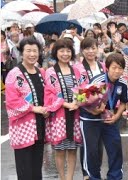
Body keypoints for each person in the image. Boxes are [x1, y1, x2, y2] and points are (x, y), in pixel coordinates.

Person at [5, 37, 49, 180]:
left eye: (35, 51)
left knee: (37, 167)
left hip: (39, 125)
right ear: (21, 53)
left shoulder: (41, 72)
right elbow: (12, 101)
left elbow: (48, 94)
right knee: (25, 169)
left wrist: (48, 108)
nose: (32, 54)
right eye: (28, 51)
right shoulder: (14, 74)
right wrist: (33, 108)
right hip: (23, 127)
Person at [82, 52, 128, 180]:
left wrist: (117, 116)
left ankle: (115, 176)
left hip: (109, 119)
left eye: (120, 68)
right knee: (92, 152)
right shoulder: (97, 81)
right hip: (90, 119)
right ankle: (93, 177)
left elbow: (124, 102)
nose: (117, 71)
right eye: (114, 67)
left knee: (115, 147)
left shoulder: (122, 83)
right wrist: (94, 111)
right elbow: (83, 100)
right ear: (107, 68)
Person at [44, 39, 82, 180]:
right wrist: (66, 104)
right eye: (62, 51)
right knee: (60, 150)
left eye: (68, 50)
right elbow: (49, 95)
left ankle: (70, 177)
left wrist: (78, 102)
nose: (65, 54)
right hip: (59, 115)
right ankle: (62, 177)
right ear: (56, 52)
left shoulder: (76, 70)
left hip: (75, 115)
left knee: (72, 149)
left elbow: (83, 90)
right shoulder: (50, 72)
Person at [73, 37, 105, 180]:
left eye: (93, 48)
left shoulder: (103, 66)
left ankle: (96, 172)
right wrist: (90, 108)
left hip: (102, 111)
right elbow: (78, 92)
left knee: (98, 147)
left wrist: (103, 105)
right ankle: (87, 174)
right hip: (87, 113)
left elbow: (107, 87)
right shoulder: (77, 68)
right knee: (88, 146)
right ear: (82, 51)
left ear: (97, 49)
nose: (90, 51)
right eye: (87, 48)